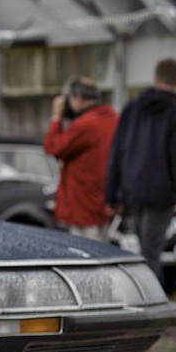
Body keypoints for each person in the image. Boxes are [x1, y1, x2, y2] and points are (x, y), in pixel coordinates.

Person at [104, 57, 176, 285]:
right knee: (151, 251)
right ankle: (153, 305)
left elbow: (117, 151)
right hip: (161, 193)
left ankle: (143, 299)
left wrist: (111, 194)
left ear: (155, 78)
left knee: (144, 249)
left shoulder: (131, 108)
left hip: (132, 189)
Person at [43, 76, 118, 239]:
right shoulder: (112, 118)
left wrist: (56, 118)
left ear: (78, 98)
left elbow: (52, 147)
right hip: (103, 201)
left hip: (82, 206)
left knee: (84, 254)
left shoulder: (85, 125)